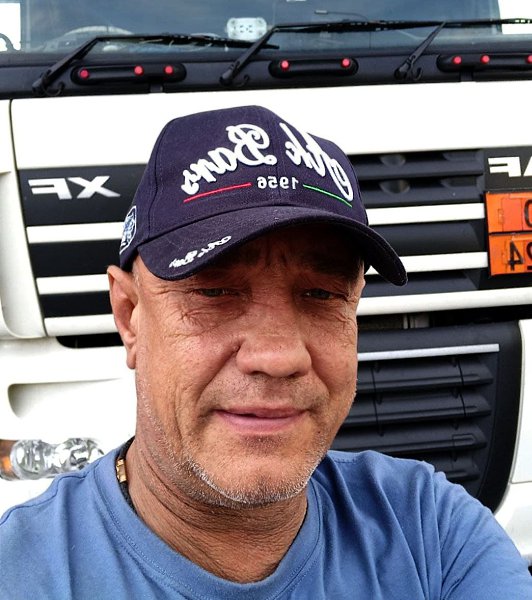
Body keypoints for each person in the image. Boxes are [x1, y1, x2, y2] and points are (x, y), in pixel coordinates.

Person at [1, 105, 531, 600]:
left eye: (321, 295)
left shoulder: (431, 530)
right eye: (214, 291)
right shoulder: (19, 572)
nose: (279, 357)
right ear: (129, 315)